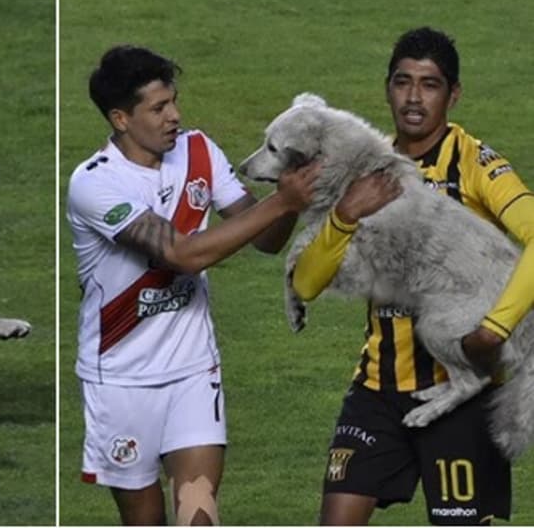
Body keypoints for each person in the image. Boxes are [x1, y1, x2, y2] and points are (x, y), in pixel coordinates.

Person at [66, 45, 320, 525]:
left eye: (174, 102)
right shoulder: (94, 184)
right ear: (121, 119)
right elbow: (182, 255)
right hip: (121, 380)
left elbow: (265, 237)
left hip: (192, 370)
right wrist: (284, 200)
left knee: (198, 515)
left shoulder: (199, 150)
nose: (174, 116)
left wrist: (291, 190)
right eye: (158, 108)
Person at [291, 27, 534, 525]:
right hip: (376, 388)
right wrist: (344, 216)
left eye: (430, 84)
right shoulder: (363, 166)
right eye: (403, 82)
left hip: (461, 387)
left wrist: (495, 329)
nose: (414, 97)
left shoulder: (473, 165)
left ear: (453, 94)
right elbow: (307, 284)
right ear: (387, 88)